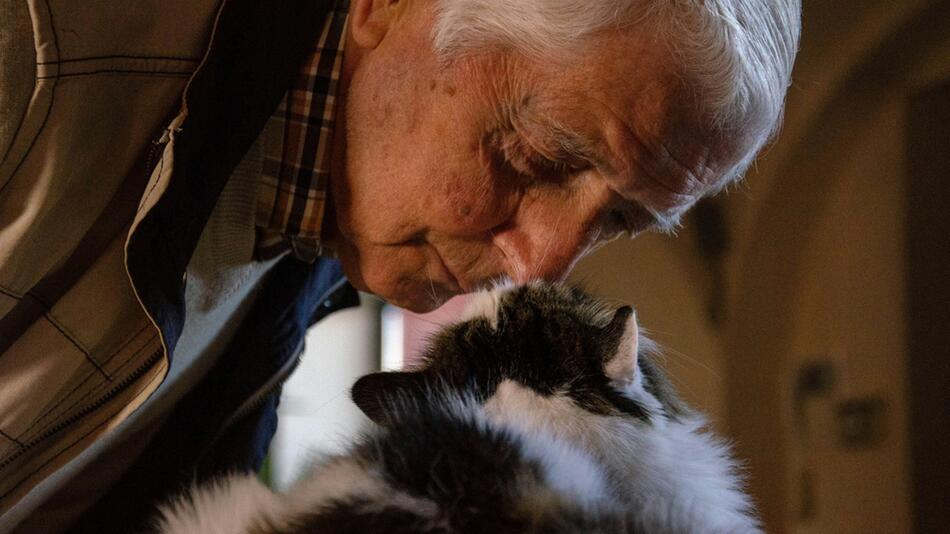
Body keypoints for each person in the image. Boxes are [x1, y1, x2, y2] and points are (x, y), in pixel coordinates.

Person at [0, 0, 800, 531]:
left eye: (620, 219)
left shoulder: (319, 223)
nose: (537, 266)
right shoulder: (32, 53)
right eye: (535, 154)